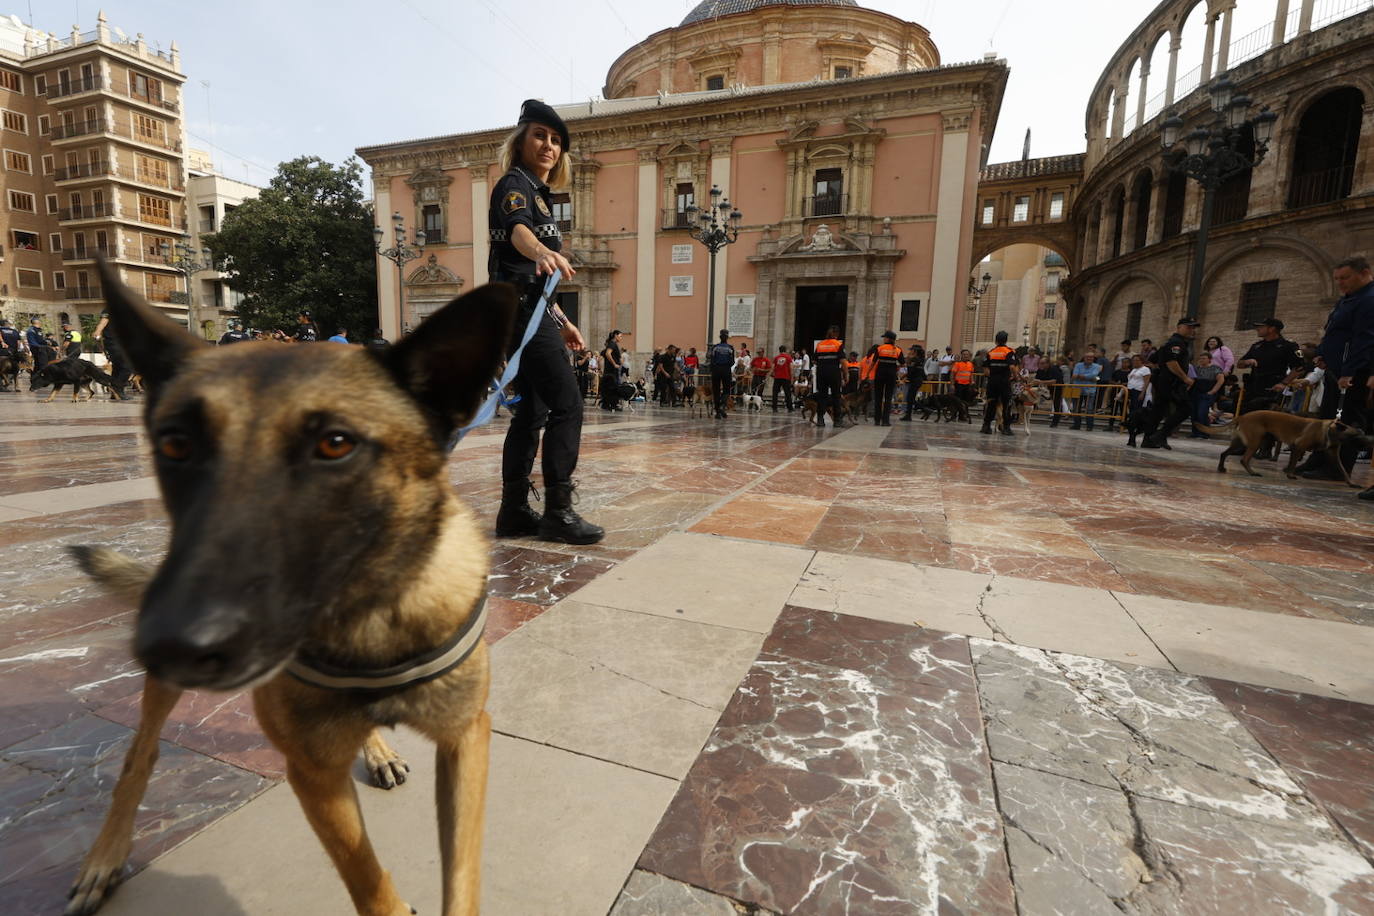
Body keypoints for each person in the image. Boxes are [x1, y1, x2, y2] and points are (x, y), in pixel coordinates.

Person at [488, 98, 602, 544]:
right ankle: (559, 510)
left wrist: (562, 320)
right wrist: (542, 250)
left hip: (529, 311)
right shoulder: (514, 185)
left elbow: (532, 281)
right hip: (519, 314)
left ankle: (513, 511)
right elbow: (517, 232)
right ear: (520, 141)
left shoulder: (540, 194)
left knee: (532, 412)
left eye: (556, 140)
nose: (549, 145)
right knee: (568, 403)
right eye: (539, 135)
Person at [1307, 257, 1374, 493]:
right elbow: (1334, 331)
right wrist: (1322, 354)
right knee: (1327, 417)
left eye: (1344, 278)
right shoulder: (1348, 298)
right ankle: (1318, 460)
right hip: (1335, 370)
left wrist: (1349, 371)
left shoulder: (1369, 299)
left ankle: (1338, 467)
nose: (1340, 283)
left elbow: (1363, 339)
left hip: (1353, 372)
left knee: (1346, 421)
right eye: (1337, 279)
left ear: (1364, 273)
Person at [1141, 316, 1201, 449]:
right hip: (1172, 383)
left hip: (1165, 381)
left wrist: (1161, 371)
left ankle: (1148, 439)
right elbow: (1171, 362)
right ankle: (1161, 435)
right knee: (1186, 409)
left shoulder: (1172, 342)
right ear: (1179, 327)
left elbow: (1153, 359)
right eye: (1188, 327)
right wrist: (1185, 378)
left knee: (1159, 410)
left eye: (1193, 328)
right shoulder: (1176, 342)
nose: (1192, 330)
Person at [1235, 318, 1304, 415]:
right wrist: (1247, 362)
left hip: (1272, 388)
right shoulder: (1256, 346)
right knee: (1247, 417)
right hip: (1253, 387)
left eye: (1261, 327)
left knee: (1266, 419)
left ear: (1272, 329)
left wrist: (1284, 383)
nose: (1257, 329)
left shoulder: (1289, 346)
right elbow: (1239, 364)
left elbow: (1299, 368)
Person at [981, 331, 1018, 435]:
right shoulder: (1009, 352)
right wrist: (1015, 377)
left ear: (996, 340)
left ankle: (986, 426)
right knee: (1006, 404)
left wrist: (992, 376)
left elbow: (985, 369)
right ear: (1006, 340)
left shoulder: (991, 352)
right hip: (1004, 382)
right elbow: (1012, 367)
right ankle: (1006, 427)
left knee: (991, 403)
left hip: (992, 382)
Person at [91, 310, 133, 394]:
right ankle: (117, 387)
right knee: (128, 366)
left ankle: (115, 392)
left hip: (122, 344)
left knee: (118, 367)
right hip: (113, 343)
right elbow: (103, 322)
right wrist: (97, 331)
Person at [813, 325, 845, 427]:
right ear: (836, 334)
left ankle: (820, 419)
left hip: (821, 372)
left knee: (822, 396)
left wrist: (823, 364)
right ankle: (837, 420)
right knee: (836, 396)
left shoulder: (820, 345)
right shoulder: (838, 344)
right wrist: (846, 374)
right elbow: (843, 361)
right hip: (834, 372)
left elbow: (814, 360)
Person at [871, 330, 904, 426]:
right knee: (888, 398)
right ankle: (885, 421)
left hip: (880, 375)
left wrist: (868, 373)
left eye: (885, 337)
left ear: (888, 339)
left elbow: (873, 363)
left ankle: (877, 420)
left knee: (878, 397)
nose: (884, 339)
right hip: (891, 375)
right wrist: (896, 368)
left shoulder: (880, 348)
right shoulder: (897, 350)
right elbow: (903, 363)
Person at [1188, 351, 1224, 437]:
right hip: (1196, 393)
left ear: (1209, 359)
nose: (1201, 360)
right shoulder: (1197, 369)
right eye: (1200, 358)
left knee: (1202, 412)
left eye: (1204, 358)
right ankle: (1195, 432)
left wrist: (1213, 391)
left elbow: (1221, 380)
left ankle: (1205, 433)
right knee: (1194, 413)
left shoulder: (1215, 368)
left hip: (1207, 393)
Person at [1070, 347, 1102, 431]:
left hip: (1090, 390)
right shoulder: (1078, 365)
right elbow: (1074, 376)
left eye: (1091, 357)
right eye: (1087, 357)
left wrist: (1082, 376)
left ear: (1093, 358)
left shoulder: (1097, 366)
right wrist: (1090, 377)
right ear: (1084, 358)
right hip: (1077, 388)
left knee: (1089, 408)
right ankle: (1076, 425)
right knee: (1076, 408)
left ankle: (1089, 426)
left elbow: (1095, 375)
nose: (1089, 359)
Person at [707, 328, 735, 419]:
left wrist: (713, 369)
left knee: (716, 391)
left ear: (720, 337)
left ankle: (718, 411)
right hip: (726, 370)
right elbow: (732, 362)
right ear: (727, 337)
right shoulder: (730, 348)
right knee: (727, 390)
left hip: (716, 370)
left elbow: (711, 359)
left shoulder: (715, 347)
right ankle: (722, 406)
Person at [900, 345, 927, 421]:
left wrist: (905, 377)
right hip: (918, 380)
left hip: (914, 381)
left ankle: (925, 409)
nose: (910, 351)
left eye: (911, 350)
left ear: (915, 351)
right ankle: (909, 415)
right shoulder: (921, 359)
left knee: (909, 398)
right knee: (910, 398)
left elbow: (911, 371)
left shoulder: (914, 359)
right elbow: (919, 371)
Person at [601, 330, 624, 412]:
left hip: (610, 370)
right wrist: (614, 364)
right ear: (615, 335)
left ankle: (606, 404)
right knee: (613, 387)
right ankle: (614, 404)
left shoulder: (612, 344)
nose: (621, 338)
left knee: (608, 387)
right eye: (620, 336)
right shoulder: (612, 343)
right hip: (612, 370)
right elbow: (608, 353)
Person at [771, 345, 793, 412]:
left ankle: (774, 408)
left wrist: (771, 374)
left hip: (777, 377)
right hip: (786, 377)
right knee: (787, 393)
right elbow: (791, 368)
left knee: (775, 393)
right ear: (785, 350)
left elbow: (772, 368)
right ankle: (790, 408)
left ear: (779, 350)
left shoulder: (776, 358)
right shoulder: (788, 358)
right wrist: (791, 378)